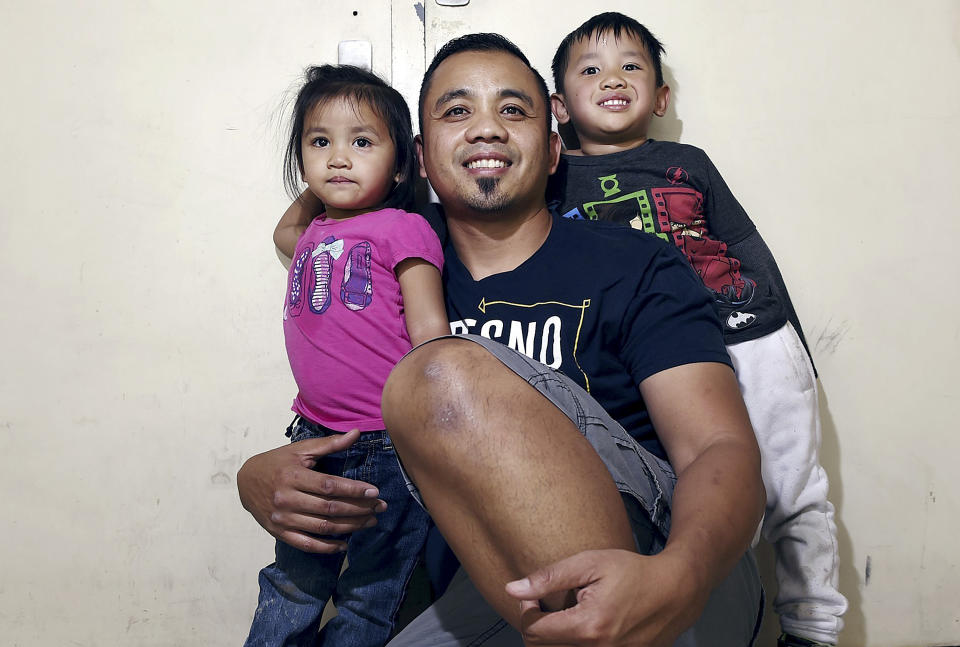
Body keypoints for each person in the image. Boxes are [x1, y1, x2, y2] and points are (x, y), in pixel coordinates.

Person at [239, 35, 766, 647]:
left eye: (514, 111)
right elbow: (339, 390)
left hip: (667, 577)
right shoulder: (384, 260)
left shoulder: (634, 265)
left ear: (551, 149)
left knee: (439, 371)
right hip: (497, 603)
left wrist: (682, 575)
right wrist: (260, 476)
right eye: (457, 112)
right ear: (420, 156)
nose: (486, 129)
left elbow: (717, 448)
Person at [546, 12, 847, 647]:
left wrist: (791, 351)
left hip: (747, 335)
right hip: (658, 359)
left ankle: (813, 628)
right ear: (559, 107)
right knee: (692, 492)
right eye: (590, 68)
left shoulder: (688, 162)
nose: (613, 78)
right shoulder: (552, 176)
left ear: (660, 96)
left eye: (632, 65)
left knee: (791, 492)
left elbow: (747, 247)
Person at [243, 64, 450, 647]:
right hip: (313, 436)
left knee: (370, 594)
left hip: (389, 445)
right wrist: (327, 179)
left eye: (361, 142)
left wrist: (433, 428)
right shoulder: (310, 234)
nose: (339, 157)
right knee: (293, 581)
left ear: (401, 162)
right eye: (319, 142)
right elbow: (283, 230)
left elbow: (431, 334)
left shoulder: (402, 227)